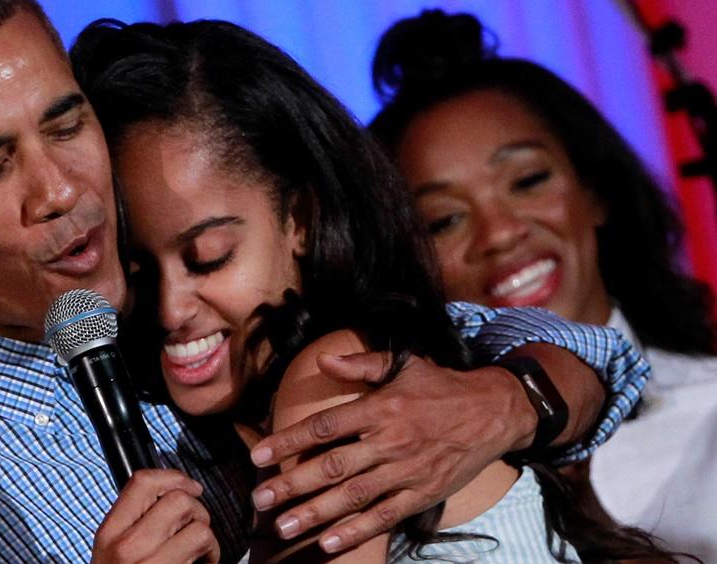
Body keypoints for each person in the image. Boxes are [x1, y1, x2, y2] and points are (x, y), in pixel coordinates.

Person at [0, 1, 646, 561]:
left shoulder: (152, 322)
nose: (62, 191)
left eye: (66, 124)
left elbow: (592, 351)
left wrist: (504, 400)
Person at [71, 18, 676, 562]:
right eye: (138, 271)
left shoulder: (334, 377)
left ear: (300, 220)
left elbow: (602, 353)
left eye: (209, 258)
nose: (170, 308)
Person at [368, 9, 717, 561]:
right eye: (443, 220)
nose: (501, 234)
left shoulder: (709, 411)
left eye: (527, 181)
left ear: (597, 192)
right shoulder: (406, 478)